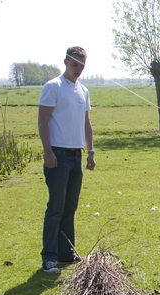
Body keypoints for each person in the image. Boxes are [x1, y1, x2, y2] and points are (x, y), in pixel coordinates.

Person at [38, 46, 95, 274]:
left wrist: (90, 151)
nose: (79, 69)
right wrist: (47, 151)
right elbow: (43, 121)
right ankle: (49, 258)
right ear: (65, 62)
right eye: (75, 64)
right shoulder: (53, 87)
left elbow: (86, 123)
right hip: (58, 154)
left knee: (70, 207)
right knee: (56, 208)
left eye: (82, 65)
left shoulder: (83, 90)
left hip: (76, 154)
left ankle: (66, 252)